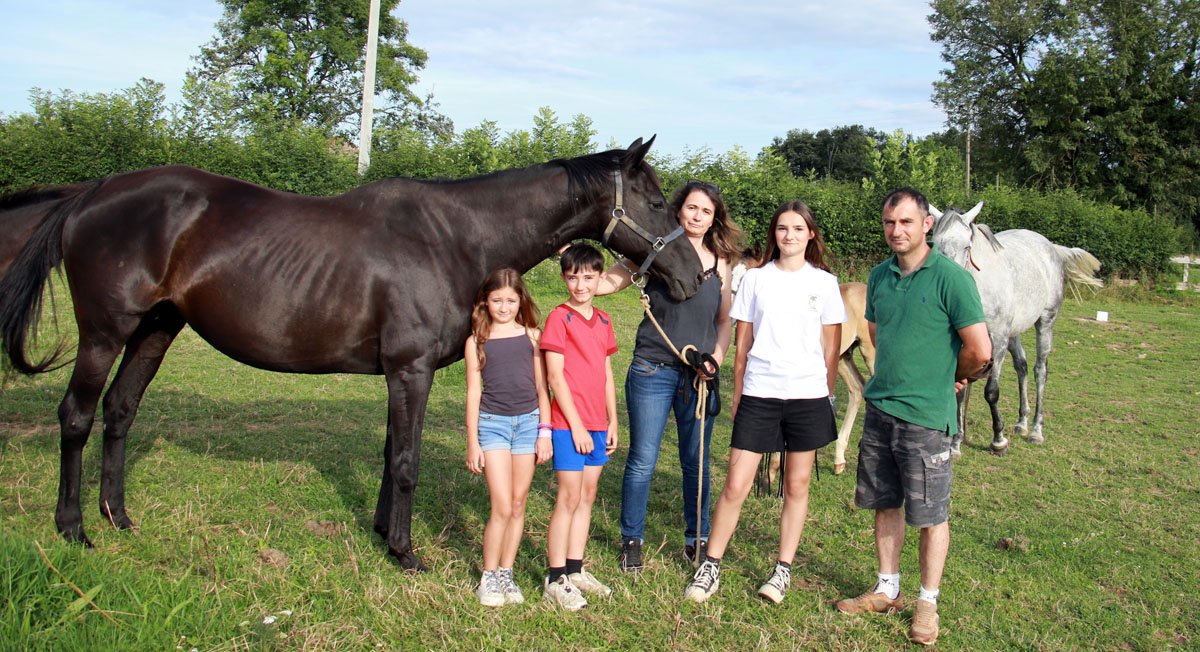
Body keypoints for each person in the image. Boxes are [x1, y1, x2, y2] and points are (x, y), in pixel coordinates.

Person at [835, 188, 991, 646]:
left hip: (926, 417)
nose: (896, 230)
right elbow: (878, 332)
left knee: (930, 514)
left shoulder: (951, 279)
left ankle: (927, 600)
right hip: (881, 409)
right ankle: (887, 588)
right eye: (889, 222)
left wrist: (951, 376)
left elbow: (980, 349)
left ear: (927, 225)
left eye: (906, 222)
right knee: (886, 502)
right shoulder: (879, 276)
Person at [684, 200, 846, 604]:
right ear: (774, 234)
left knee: (796, 484)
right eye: (782, 228)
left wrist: (826, 396)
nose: (789, 236)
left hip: (807, 397)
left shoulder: (826, 283)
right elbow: (742, 346)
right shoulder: (756, 279)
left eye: (798, 228)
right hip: (760, 394)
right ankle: (711, 565)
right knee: (735, 484)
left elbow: (831, 349)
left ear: (810, 234)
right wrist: (739, 395)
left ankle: (782, 569)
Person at [597, 179, 742, 571]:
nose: (697, 216)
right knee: (643, 459)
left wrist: (716, 359)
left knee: (696, 462)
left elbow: (724, 320)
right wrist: (582, 279)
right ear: (678, 209)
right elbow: (611, 280)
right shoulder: (655, 246)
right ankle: (632, 540)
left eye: (706, 211)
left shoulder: (721, 262)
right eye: (691, 207)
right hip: (652, 368)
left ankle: (697, 539)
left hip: (699, 377)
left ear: (714, 218)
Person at [464, 268, 554, 607]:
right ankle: (488, 576)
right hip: (493, 426)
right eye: (497, 300)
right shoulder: (476, 341)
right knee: (501, 505)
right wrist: (473, 442)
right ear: (485, 303)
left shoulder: (532, 337)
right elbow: (473, 393)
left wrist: (545, 433)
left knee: (518, 504)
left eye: (511, 301)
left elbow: (542, 389)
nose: (504, 307)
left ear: (521, 301)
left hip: (529, 426)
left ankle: (506, 571)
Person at [540, 243, 620, 611]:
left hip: (598, 424)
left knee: (587, 495)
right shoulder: (560, 318)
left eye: (588, 278)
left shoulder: (603, 320)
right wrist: (576, 427)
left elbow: (605, 372)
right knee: (568, 497)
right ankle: (555, 577)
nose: (581, 285)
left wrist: (612, 419)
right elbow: (555, 377)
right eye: (573, 278)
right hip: (569, 425)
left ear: (600, 278)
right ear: (564, 279)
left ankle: (576, 569)